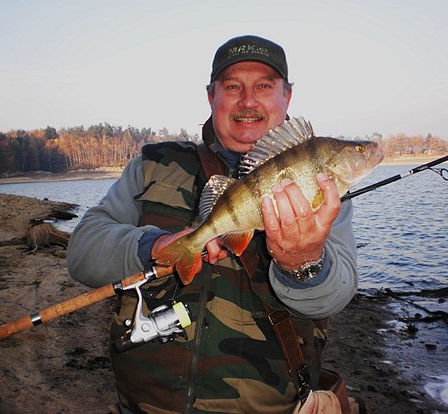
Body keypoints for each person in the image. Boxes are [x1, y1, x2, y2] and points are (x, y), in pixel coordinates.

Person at [67, 34, 358, 414]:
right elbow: (82, 252)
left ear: (287, 96)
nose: (248, 101)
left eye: (264, 86)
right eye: (233, 86)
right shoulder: (154, 166)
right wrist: (153, 246)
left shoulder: (322, 191)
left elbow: (336, 296)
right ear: (211, 96)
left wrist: (303, 262)